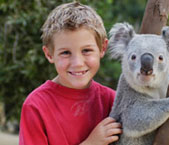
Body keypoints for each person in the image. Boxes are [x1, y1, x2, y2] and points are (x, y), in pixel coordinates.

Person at [19, 2, 122, 145]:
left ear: (102, 48)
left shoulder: (114, 101)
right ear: (49, 54)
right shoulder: (36, 106)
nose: (77, 63)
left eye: (86, 50)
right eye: (65, 53)